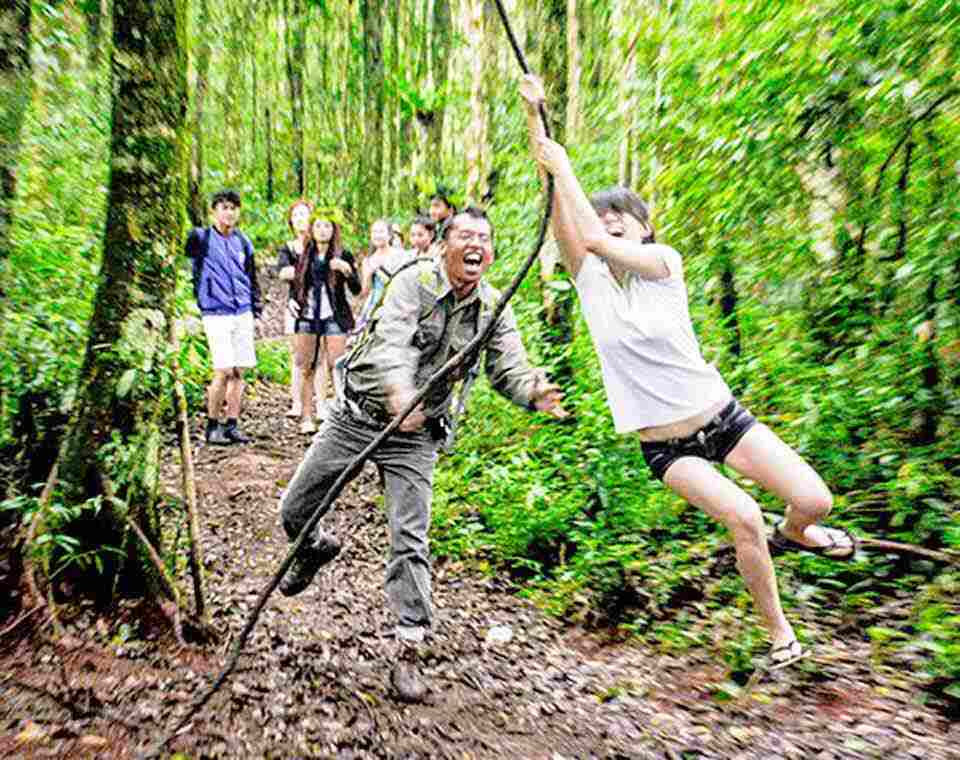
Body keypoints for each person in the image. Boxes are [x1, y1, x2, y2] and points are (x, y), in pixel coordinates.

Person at [519, 74, 855, 670]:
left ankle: (798, 532)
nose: (610, 220)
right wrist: (534, 114)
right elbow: (559, 202)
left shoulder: (662, 266)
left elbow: (593, 235)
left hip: (722, 418)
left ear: (645, 228)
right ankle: (782, 638)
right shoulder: (589, 282)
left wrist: (570, 171)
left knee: (816, 500)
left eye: (622, 214)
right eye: (603, 214)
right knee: (743, 517)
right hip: (666, 448)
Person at [278, 207, 567, 701]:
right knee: (295, 510)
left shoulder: (493, 307)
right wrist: (398, 391)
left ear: (491, 253)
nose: (475, 245)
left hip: (416, 435)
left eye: (484, 238)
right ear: (442, 246)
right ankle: (313, 548)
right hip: (359, 414)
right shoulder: (413, 281)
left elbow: (509, 367)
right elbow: (391, 340)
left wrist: (534, 392)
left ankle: (409, 651)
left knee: (409, 539)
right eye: (465, 236)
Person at [185, 189, 261, 446]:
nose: (229, 213)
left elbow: (251, 276)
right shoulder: (201, 238)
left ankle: (232, 423)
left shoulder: (243, 242)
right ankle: (212, 424)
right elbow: (187, 265)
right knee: (223, 370)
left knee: (239, 371)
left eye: (233, 208)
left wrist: (256, 308)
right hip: (215, 311)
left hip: (242, 310)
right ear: (214, 211)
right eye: (224, 207)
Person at [291, 215, 361, 432]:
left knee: (336, 365)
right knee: (306, 367)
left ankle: (340, 417)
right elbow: (297, 285)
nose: (322, 230)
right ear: (312, 230)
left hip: (334, 315)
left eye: (327, 226)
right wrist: (292, 301)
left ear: (334, 230)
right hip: (308, 314)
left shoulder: (342, 254)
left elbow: (356, 289)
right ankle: (306, 417)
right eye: (318, 226)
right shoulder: (303, 255)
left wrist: (347, 271)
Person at [276, 199, 314, 419]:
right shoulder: (288, 247)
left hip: (320, 305)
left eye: (304, 214)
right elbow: (283, 273)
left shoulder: (319, 244)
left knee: (317, 356)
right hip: (295, 305)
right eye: (296, 215)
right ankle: (296, 402)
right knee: (298, 357)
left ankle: (317, 402)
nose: (301, 219)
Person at [353, 218, 401, 333]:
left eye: (381, 232)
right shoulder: (368, 261)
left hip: (395, 302)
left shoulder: (399, 255)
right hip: (375, 303)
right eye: (374, 232)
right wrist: (369, 274)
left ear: (389, 235)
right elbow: (365, 291)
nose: (377, 235)